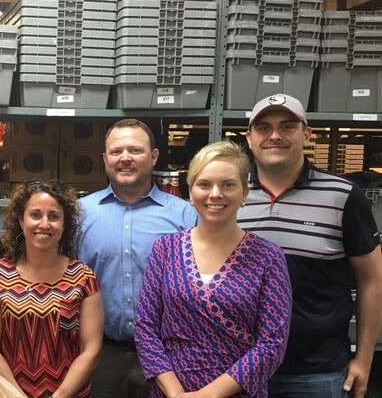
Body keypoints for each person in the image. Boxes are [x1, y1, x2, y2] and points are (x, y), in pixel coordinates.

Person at [238, 94, 382, 398]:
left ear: (307, 134)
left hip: (318, 372)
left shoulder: (343, 196)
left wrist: (364, 358)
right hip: (240, 367)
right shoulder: (227, 194)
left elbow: (372, 279)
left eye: (287, 126)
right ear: (249, 138)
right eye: (263, 127)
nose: (274, 135)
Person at [135, 141, 292, 397]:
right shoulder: (165, 249)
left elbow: (272, 343)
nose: (215, 194)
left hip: (238, 391)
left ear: (244, 191)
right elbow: (145, 328)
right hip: (172, 391)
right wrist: (175, 393)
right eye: (204, 184)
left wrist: (208, 395)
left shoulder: (268, 257)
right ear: (191, 190)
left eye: (228, 184)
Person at [76, 119, 198, 397]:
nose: (125, 159)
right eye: (116, 151)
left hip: (168, 357)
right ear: (105, 159)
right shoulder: (81, 214)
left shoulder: (185, 216)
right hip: (99, 355)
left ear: (154, 157)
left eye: (135, 150)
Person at [0, 180, 103, 398]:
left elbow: (91, 350)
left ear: (64, 226)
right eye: (35, 215)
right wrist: (16, 395)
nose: (44, 224)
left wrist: (59, 396)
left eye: (54, 216)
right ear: (21, 221)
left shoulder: (83, 278)